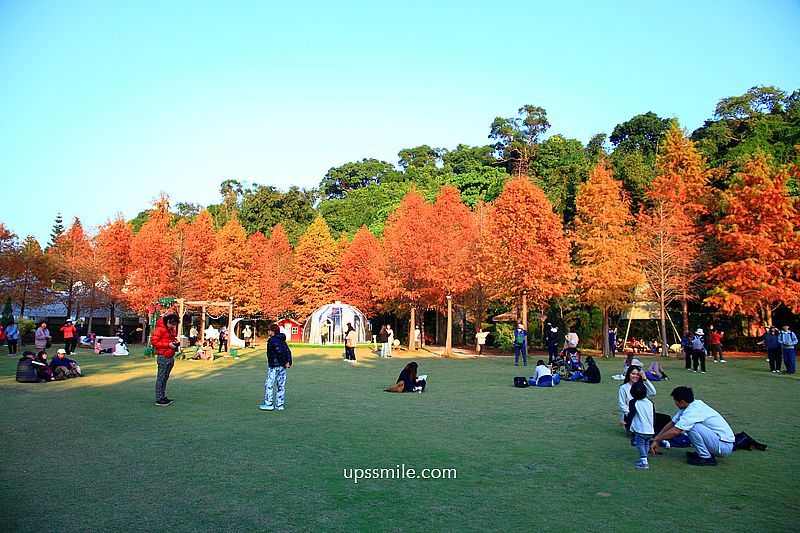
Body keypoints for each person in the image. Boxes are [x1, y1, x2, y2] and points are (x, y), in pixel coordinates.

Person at [649, 386, 735, 467]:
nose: (674, 403)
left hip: (724, 446)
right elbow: (672, 423)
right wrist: (657, 437)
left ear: (682, 402)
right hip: (718, 442)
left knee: (692, 427)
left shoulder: (692, 411)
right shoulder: (691, 405)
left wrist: (657, 440)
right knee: (690, 426)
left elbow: (675, 431)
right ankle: (704, 453)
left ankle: (705, 457)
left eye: (675, 400)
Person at [260, 323, 292, 411]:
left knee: (269, 384)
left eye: (269, 330)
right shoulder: (282, 340)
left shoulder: (273, 340)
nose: (268, 332)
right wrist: (288, 362)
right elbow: (287, 351)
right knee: (281, 385)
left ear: (272, 331)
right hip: (282, 367)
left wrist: (284, 362)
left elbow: (279, 352)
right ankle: (280, 404)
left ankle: (269, 403)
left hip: (274, 366)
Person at [624, 381, 655, 469]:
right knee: (646, 444)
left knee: (640, 444)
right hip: (650, 429)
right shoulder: (650, 402)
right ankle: (645, 458)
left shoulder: (633, 402)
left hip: (640, 429)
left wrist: (626, 421)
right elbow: (653, 415)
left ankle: (644, 462)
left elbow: (631, 414)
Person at [151, 313, 180, 406]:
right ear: (167, 321)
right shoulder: (159, 329)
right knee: (161, 377)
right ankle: (159, 398)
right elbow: (154, 342)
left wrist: (175, 343)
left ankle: (162, 396)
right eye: (171, 324)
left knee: (165, 378)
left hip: (170, 355)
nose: (172, 326)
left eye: (174, 324)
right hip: (163, 355)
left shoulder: (171, 330)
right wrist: (168, 344)